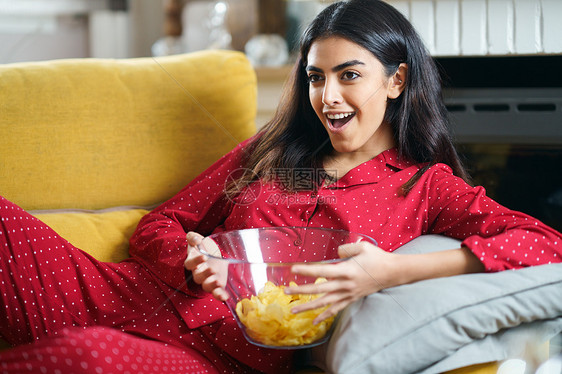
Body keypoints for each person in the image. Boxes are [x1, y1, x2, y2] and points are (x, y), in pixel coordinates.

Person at [0, 0, 560, 373]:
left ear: (397, 80)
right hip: (125, 290)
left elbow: (544, 245)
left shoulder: (426, 187)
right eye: (316, 77)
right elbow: (160, 223)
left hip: (221, 355)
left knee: (82, 356)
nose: (328, 97)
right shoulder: (273, 150)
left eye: (349, 75)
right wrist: (193, 257)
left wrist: (392, 271)